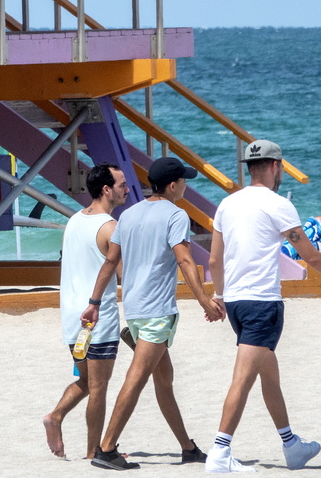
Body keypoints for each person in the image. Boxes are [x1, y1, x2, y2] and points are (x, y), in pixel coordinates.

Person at [206, 140, 321, 473]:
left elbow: (215, 259)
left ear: (250, 167)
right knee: (242, 379)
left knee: (268, 376)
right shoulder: (278, 205)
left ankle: (292, 446)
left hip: (235, 303)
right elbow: (311, 255)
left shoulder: (226, 204)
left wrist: (218, 295)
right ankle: (219, 453)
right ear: (276, 166)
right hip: (262, 303)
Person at [81, 157, 224, 471]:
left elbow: (110, 262)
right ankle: (106, 449)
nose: (186, 185)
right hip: (157, 313)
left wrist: (95, 300)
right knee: (137, 379)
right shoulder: (176, 214)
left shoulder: (128, 215)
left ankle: (187, 448)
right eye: (184, 180)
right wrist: (204, 301)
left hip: (133, 310)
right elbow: (185, 261)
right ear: (173, 185)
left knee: (164, 380)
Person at [42, 163, 128, 460]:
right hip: (96, 318)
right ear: (107, 190)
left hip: (70, 315)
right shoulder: (111, 227)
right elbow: (122, 274)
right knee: (99, 387)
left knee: (87, 382)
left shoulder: (75, 220)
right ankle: (94, 452)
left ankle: (55, 417)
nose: (127, 190)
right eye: (121, 185)